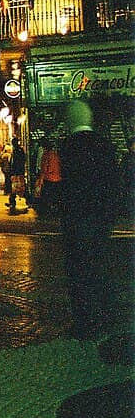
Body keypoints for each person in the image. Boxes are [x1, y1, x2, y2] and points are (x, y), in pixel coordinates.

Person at [57, 100, 120, 340]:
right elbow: (113, 183)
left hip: (78, 219)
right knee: (100, 266)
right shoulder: (105, 145)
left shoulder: (69, 147)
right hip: (101, 218)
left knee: (79, 271)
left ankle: (86, 321)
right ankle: (106, 315)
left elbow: (69, 188)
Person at [6, 138, 27, 214]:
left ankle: (28, 199)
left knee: (18, 187)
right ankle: (12, 201)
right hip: (18, 171)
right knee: (16, 188)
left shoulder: (17, 150)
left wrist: (13, 171)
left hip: (17, 172)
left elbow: (15, 162)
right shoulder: (18, 150)